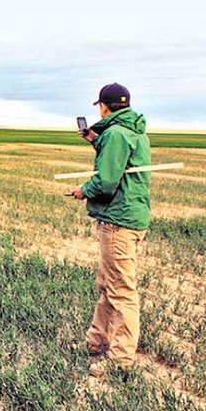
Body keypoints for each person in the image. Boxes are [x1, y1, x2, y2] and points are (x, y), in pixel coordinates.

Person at [71, 83, 151, 377]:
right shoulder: (132, 131)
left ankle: (120, 361)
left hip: (119, 220)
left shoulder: (116, 133)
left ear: (104, 107)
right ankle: (97, 340)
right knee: (108, 282)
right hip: (127, 217)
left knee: (121, 290)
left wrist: (83, 190)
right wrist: (94, 139)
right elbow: (116, 158)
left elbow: (106, 182)